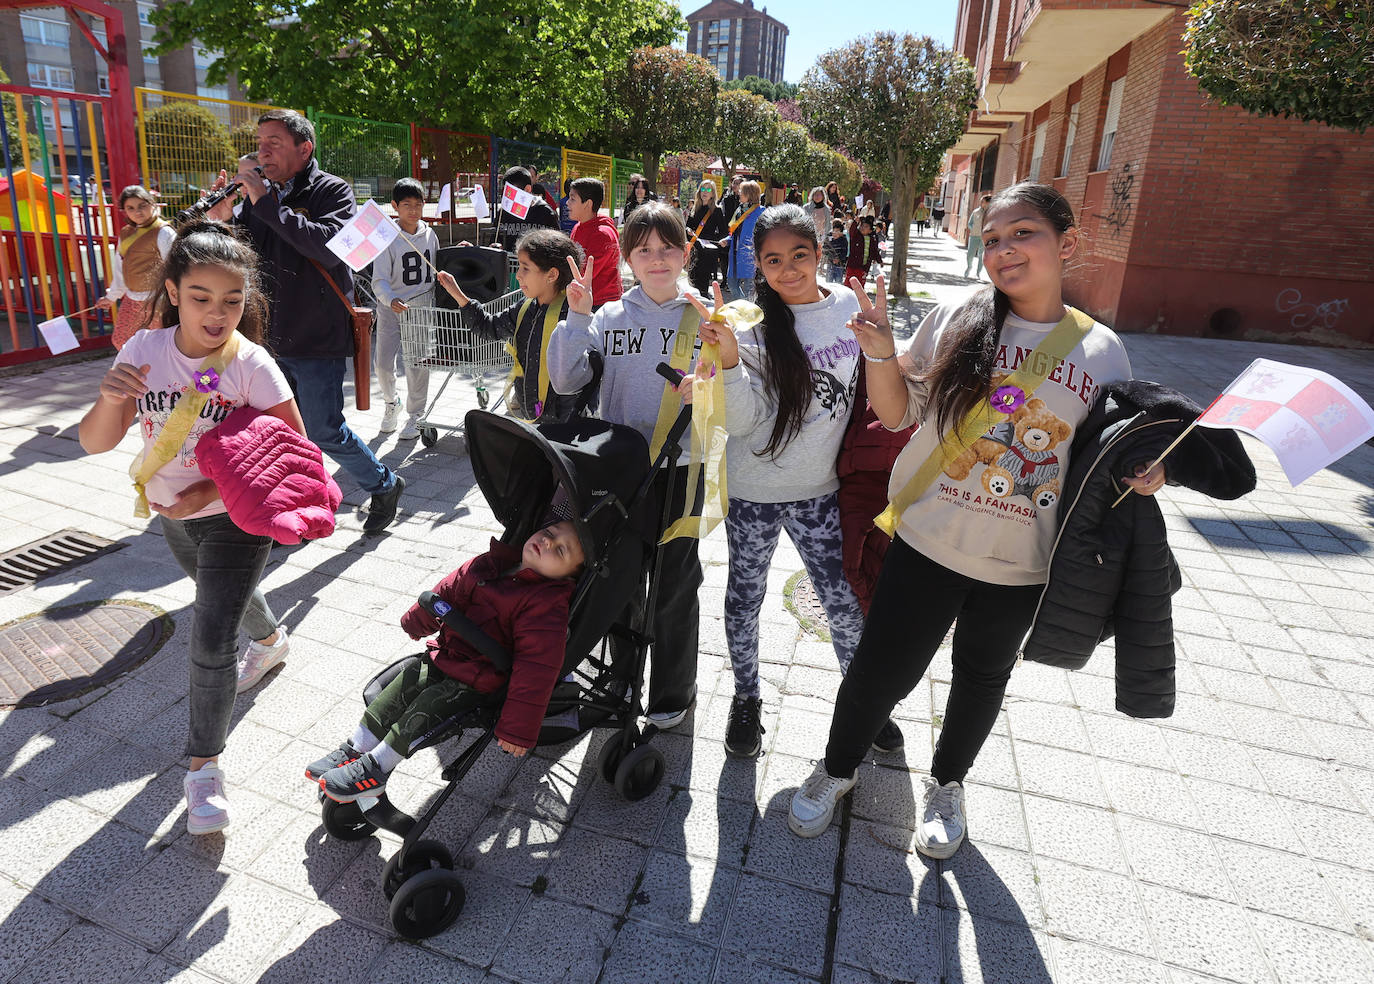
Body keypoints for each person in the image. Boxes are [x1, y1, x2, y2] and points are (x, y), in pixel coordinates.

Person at [788, 182, 1163, 859]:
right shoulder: (959, 314)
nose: (1004, 249)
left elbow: (1099, 461)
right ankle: (836, 770)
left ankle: (949, 784)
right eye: (991, 238)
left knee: (982, 677)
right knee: (878, 670)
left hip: (1021, 560)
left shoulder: (1104, 352)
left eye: (1024, 233)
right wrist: (879, 350)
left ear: (1067, 243)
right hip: (930, 536)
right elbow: (899, 413)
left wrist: (1144, 474)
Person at [77, 221, 304, 834]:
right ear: (173, 291)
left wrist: (209, 487)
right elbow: (95, 443)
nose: (218, 313)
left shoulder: (252, 365)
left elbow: (295, 451)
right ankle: (272, 641)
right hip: (171, 520)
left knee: (208, 640)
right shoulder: (143, 352)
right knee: (224, 598)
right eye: (201, 297)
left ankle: (204, 770)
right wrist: (107, 396)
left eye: (232, 301)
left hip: (235, 518)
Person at [684, 204, 899, 758]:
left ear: (819, 252)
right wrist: (726, 361)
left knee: (844, 602)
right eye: (773, 260)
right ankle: (746, 698)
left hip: (822, 492)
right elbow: (741, 421)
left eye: (799, 255)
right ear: (757, 263)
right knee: (743, 599)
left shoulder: (848, 306)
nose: (788, 270)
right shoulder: (748, 326)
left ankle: (864, 705)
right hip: (754, 493)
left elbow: (869, 390)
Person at [204, 109, 405, 534]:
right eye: (260, 143)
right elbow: (241, 255)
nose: (262, 152)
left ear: (304, 148)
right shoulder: (260, 199)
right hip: (268, 337)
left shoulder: (332, 191)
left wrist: (265, 203)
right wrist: (223, 221)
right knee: (279, 433)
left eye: (273, 142)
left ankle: (384, 483)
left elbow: (330, 250)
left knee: (322, 429)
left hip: (317, 336)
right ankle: (297, 509)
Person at [548, 201, 707, 728]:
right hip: (617, 470)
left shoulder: (707, 316)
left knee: (675, 583)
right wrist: (575, 315)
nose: (656, 259)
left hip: (682, 469)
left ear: (685, 252)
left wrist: (706, 392)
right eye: (644, 250)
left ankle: (672, 692)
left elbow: (733, 397)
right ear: (628, 259)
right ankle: (621, 676)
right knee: (616, 578)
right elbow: (568, 382)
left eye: (667, 248)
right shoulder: (608, 315)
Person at [309, 521, 586, 800]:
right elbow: (448, 590)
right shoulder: (492, 564)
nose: (548, 542)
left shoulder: (546, 605)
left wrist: (518, 727)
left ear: (569, 576)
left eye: (560, 551)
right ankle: (355, 748)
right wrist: (419, 619)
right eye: (548, 533)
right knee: (398, 688)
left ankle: (377, 768)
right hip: (446, 654)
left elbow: (536, 668)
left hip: (479, 677)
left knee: (426, 707)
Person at [438, 229, 583, 422]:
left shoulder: (572, 317)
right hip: (530, 413)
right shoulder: (524, 309)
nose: (519, 275)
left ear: (551, 275)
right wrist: (458, 295)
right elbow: (488, 327)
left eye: (525, 268)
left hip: (564, 420)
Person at [372, 178, 437, 441]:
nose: (413, 210)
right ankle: (391, 403)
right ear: (395, 206)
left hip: (420, 309)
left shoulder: (430, 234)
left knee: (417, 363)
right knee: (383, 364)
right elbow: (379, 279)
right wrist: (389, 299)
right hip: (391, 309)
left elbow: (436, 269)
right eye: (406, 205)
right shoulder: (386, 238)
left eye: (418, 204)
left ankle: (416, 414)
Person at [98, 185, 174, 350]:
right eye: (130, 208)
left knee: (160, 346)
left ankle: (160, 375)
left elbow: (175, 268)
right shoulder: (126, 232)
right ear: (124, 211)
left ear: (152, 204)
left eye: (142, 206)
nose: (137, 212)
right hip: (132, 298)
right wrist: (112, 297)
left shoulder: (164, 232)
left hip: (157, 300)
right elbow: (120, 268)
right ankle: (142, 374)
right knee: (121, 341)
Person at [567, 177, 623, 309]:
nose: (567, 203)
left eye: (572, 199)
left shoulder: (603, 235)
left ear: (587, 204)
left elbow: (585, 274)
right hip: (585, 298)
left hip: (603, 303)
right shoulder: (578, 227)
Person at [495, 166, 559, 252]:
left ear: (527, 189)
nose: (509, 197)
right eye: (507, 192)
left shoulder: (545, 212)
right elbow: (495, 241)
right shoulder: (503, 212)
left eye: (512, 192)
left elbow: (557, 247)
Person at [723, 180, 764, 301]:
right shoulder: (739, 210)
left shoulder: (761, 212)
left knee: (749, 289)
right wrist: (727, 239)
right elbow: (733, 231)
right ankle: (743, 306)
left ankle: (747, 313)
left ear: (749, 194)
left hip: (750, 256)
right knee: (731, 284)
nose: (739, 193)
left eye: (742, 191)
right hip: (734, 254)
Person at [685, 181, 727, 297]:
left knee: (702, 283)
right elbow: (688, 225)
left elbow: (723, 232)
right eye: (703, 189)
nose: (705, 192)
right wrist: (688, 230)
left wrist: (711, 239)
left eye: (708, 190)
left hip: (707, 251)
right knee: (691, 279)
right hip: (694, 249)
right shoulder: (695, 208)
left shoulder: (716, 210)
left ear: (713, 194)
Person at [844, 215, 881, 288]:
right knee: (849, 284)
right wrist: (856, 222)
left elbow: (874, 250)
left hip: (863, 267)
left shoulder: (872, 239)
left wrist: (879, 260)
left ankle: (858, 298)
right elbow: (852, 231)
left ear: (870, 230)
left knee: (860, 285)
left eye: (866, 226)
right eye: (862, 226)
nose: (863, 228)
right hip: (852, 265)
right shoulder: (856, 236)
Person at [965, 193, 992, 279]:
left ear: (987, 203)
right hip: (974, 236)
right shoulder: (975, 212)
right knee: (970, 254)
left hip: (984, 237)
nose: (981, 202)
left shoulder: (991, 213)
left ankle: (978, 273)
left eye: (983, 201)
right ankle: (969, 267)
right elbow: (970, 223)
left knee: (982, 255)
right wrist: (972, 228)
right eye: (981, 201)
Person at [822, 219, 850, 284]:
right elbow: (825, 249)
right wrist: (830, 257)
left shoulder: (843, 240)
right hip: (830, 263)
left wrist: (838, 259)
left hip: (839, 265)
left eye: (837, 231)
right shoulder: (829, 237)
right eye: (834, 231)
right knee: (828, 282)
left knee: (838, 282)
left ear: (841, 233)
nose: (835, 233)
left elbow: (844, 252)